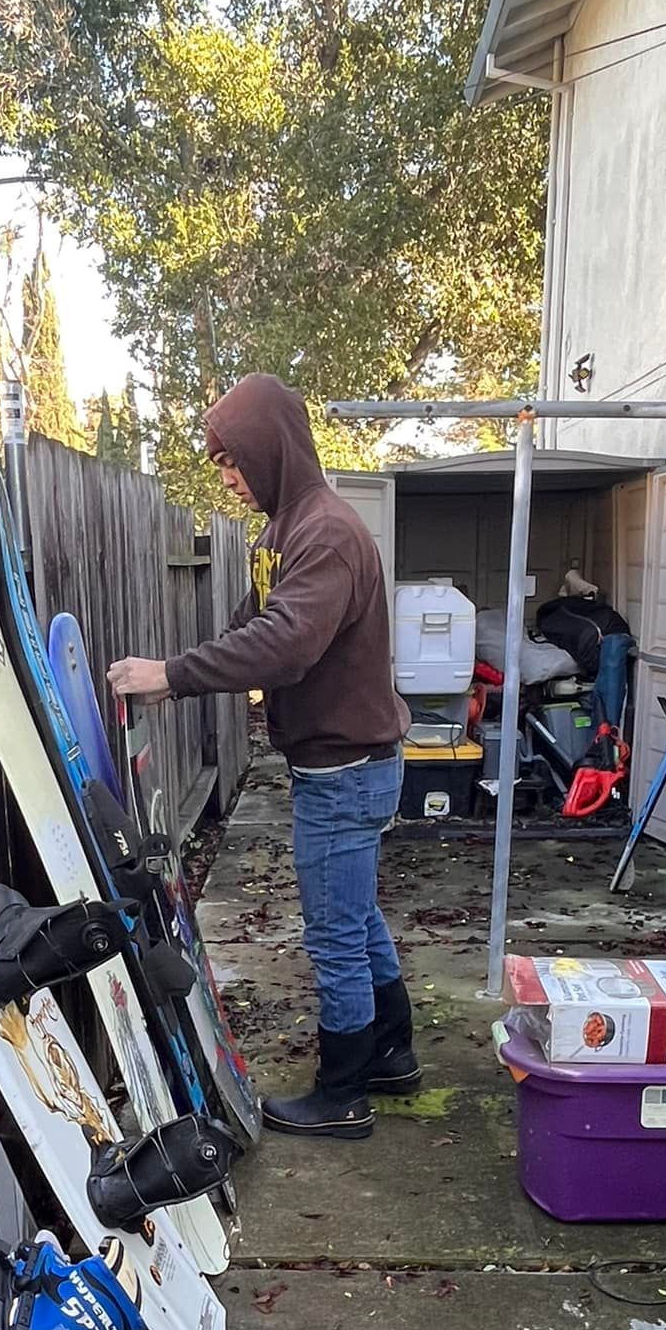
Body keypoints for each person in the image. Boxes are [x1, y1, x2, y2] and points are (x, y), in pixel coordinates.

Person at [108, 372, 416, 1141]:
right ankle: (392, 1051)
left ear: (271, 449)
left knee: (336, 934)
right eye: (219, 464)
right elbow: (256, 622)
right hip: (340, 767)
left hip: (346, 774)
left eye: (232, 460)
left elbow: (286, 645)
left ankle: (343, 1093)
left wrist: (173, 676)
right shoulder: (284, 532)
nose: (228, 477)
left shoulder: (329, 533)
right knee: (358, 918)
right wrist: (172, 681)